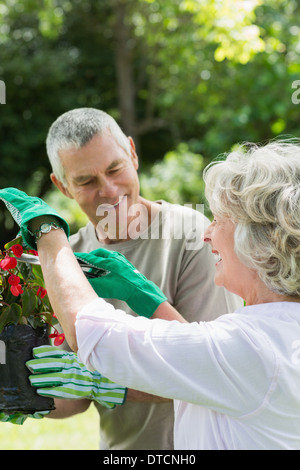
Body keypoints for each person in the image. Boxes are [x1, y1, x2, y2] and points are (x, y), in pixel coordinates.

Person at [1, 139, 300, 450]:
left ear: (260, 242)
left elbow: (89, 330)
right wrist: (150, 300)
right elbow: (202, 365)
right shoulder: (277, 336)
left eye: (220, 220)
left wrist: (47, 232)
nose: (207, 233)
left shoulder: (249, 347)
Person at [42, 108, 242, 450]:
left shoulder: (192, 235)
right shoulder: (66, 260)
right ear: (62, 185)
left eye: (114, 169)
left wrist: (99, 379)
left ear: (132, 154)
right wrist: (23, 389)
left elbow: (211, 370)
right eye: (86, 181)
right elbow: (72, 399)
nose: (108, 190)